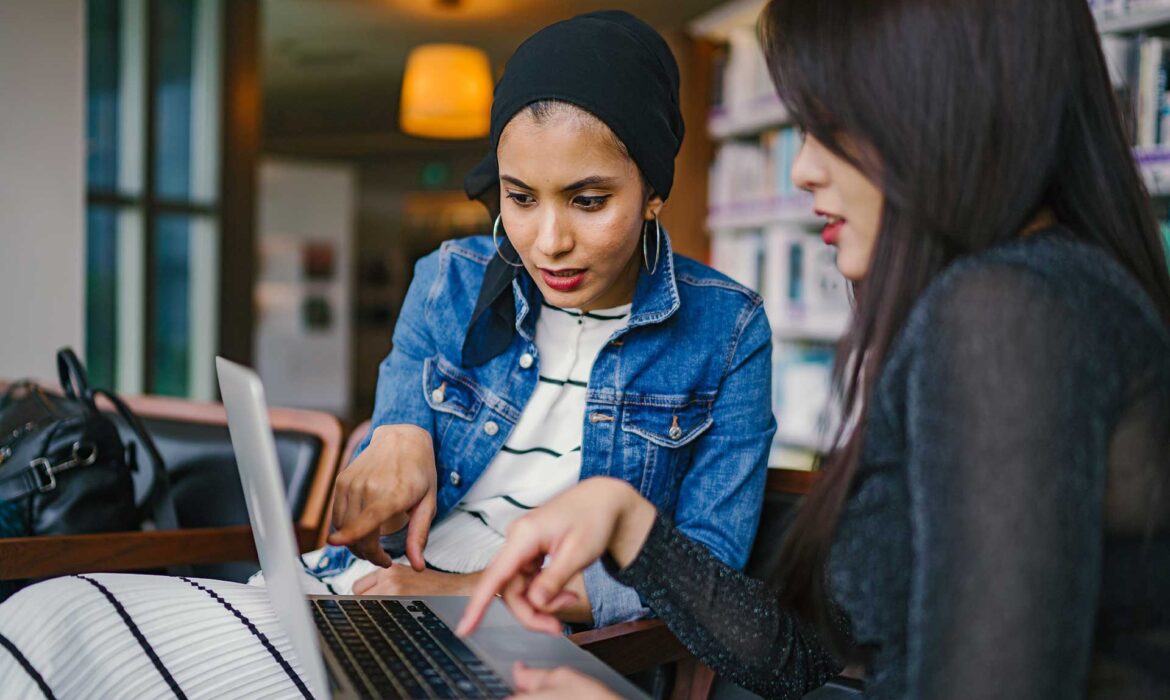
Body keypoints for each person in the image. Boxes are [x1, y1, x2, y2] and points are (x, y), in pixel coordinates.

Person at [0, 11, 779, 698]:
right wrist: (396, 430)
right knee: (47, 613)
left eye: (588, 200)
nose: (548, 241)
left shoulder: (728, 332)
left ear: (653, 191)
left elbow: (699, 578)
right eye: (518, 197)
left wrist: (450, 588)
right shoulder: (450, 279)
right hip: (359, 595)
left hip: (525, 642)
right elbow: (386, 457)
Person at [457, 0, 1170, 698]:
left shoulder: (1011, 313)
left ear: (948, 106)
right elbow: (804, 662)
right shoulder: (1029, 294)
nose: (802, 171)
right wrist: (632, 525)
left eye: (831, 126)